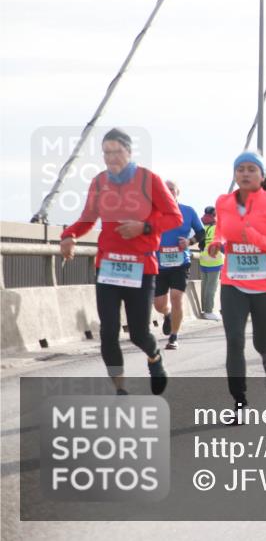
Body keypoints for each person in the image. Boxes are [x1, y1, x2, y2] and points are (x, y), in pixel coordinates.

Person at [59, 128, 181, 395]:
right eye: (106, 152)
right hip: (108, 267)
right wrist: (68, 235)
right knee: (109, 332)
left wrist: (144, 227)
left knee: (138, 333)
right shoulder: (100, 182)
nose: (111, 157)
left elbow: (174, 218)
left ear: (129, 152)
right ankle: (120, 388)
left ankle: (154, 357)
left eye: (117, 151)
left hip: (141, 268)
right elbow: (88, 219)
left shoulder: (150, 180)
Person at [207, 151, 266, 413]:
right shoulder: (224, 202)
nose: (245, 173)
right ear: (235, 174)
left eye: (251, 169)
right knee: (234, 340)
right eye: (240, 169)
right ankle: (240, 401)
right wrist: (216, 242)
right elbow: (222, 229)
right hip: (233, 281)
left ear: (261, 174)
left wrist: (257, 239)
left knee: (261, 343)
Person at [153, 180, 206, 349]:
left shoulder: (188, 211)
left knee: (176, 297)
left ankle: (174, 337)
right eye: (165, 190)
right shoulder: (154, 212)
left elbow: (202, 232)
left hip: (180, 263)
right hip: (159, 264)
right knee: (159, 305)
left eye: (172, 190)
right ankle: (167, 314)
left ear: (178, 192)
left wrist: (189, 241)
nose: (168, 192)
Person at [199, 206, 223, 321]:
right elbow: (221, 244)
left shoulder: (202, 225)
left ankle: (204, 310)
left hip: (203, 259)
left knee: (204, 285)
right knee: (211, 287)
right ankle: (209, 311)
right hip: (214, 259)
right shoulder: (216, 227)